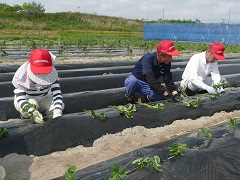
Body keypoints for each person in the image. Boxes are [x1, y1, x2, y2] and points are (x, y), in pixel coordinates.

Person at [12, 48, 64, 123]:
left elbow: (57, 93)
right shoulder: (23, 74)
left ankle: (47, 114)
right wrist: (31, 111)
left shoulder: (52, 75)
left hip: (44, 97)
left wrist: (58, 109)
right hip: (28, 99)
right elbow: (20, 98)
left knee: (59, 106)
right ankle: (27, 116)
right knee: (32, 104)